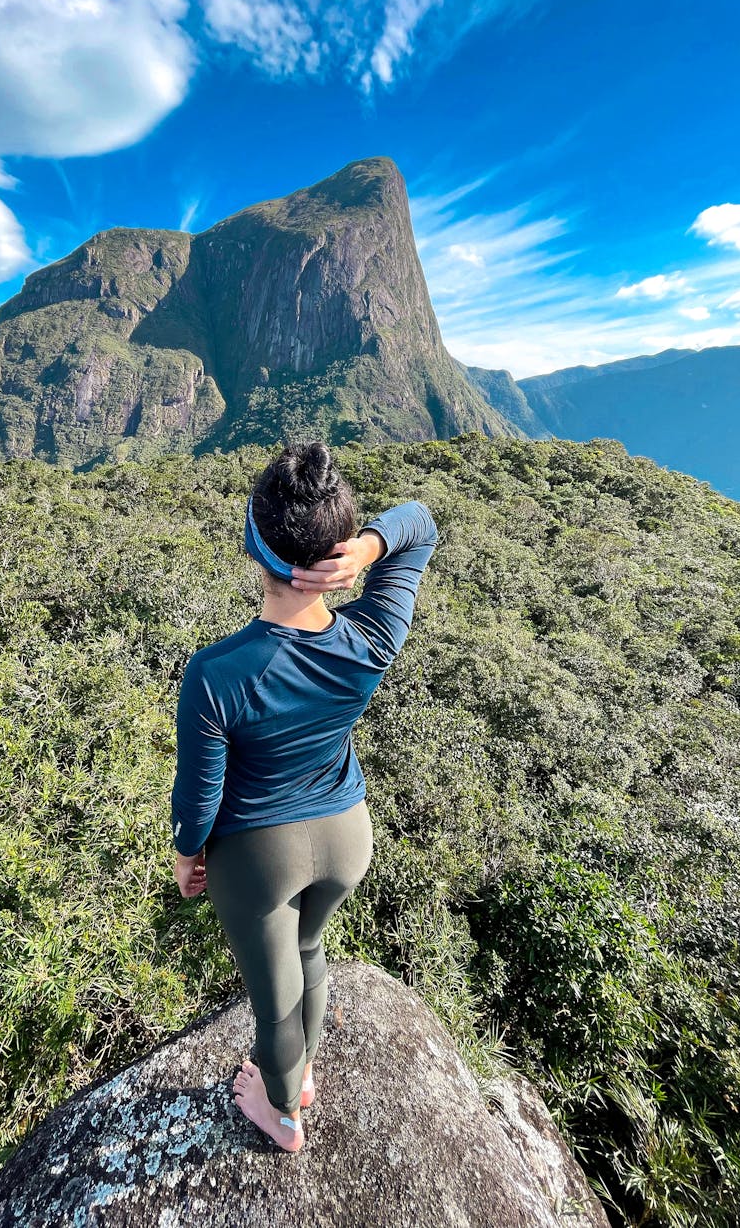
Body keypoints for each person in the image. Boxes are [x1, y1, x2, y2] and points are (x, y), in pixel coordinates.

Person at [170, 440, 439, 1152]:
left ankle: (282, 1110)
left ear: (253, 545)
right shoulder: (370, 636)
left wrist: (186, 854)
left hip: (261, 856)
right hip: (346, 834)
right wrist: (374, 547)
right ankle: (304, 1071)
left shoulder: (215, 672)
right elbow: (422, 523)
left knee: (273, 999)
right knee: (309, 948)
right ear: (337, 554)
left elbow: (199, 796)